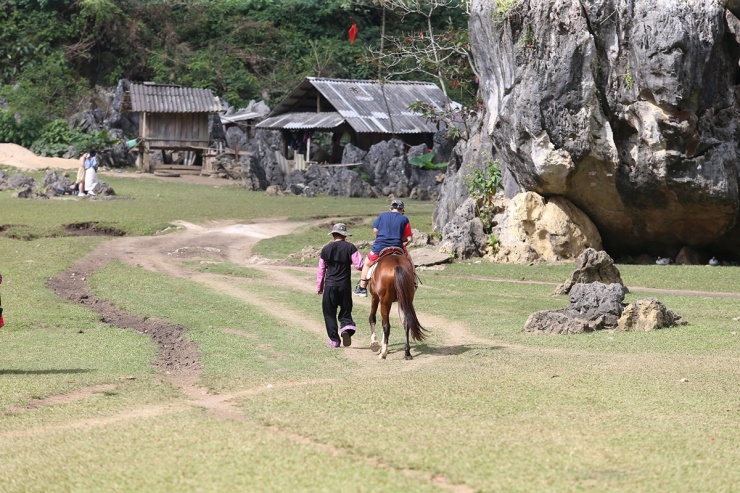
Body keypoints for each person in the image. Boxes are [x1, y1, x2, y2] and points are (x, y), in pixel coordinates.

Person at [317, 223, 364, 347]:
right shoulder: (350, 247)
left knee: (329, 312)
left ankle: (334, 340)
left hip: (330, 285)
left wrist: (319, 287)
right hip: (344, 285)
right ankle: (346, 328)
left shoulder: (326, 248)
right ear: (345, 236)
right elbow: (359, 265)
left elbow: (321, 269)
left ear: (333, 235)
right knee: (345, 310)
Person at [353, 199, 413, 297]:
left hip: (380, 246)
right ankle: (412, 284)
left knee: (367, 263)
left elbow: (375, 230)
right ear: (402, 209)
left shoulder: (382, 215)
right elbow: (407, 237)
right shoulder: (404, 219)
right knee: (409, 261)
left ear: (390, 208)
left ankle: (362, 288)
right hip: (398, 246)